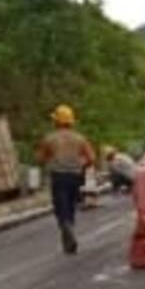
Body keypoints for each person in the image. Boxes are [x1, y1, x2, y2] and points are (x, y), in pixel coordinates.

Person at [35, 104, 95, 254]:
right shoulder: (80, 138)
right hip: (75, 176)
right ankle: (69, 231)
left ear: (56, 121)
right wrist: (82, 166)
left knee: (60, 207)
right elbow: (91, 158)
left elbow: (40, 159)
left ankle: (66, 226)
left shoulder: (50, 138)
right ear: (71, 122)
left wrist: (48, 161)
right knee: (71, 205)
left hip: (58, 176)